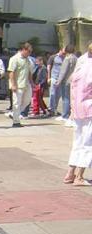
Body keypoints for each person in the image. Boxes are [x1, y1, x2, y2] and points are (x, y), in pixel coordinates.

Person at [63, 42, 92, 186]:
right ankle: (79, 176)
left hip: (78, 107)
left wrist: (72, 108)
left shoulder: (81, 61)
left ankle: (70, 173)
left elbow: (72, 84)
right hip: (89, 108)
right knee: (88, 143)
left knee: (78, 141)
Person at [6, 42, 34, 127]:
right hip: (18, 85)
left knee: (27, 101)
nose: (30, 53)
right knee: (16, 103)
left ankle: (14, 114)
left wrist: (31, 82)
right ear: (23, 50)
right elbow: (11, 72)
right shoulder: (14, 59)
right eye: (28, 51)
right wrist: (13, 84)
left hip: (26, 84)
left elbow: (29, 72)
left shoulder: (28, 60)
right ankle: (16, 121)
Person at [56, 44, 78, 127]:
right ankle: (69, 113)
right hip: (73, 80)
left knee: (65, 98)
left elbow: (63, 71)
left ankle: (65, 115)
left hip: (66, 81)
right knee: (71, 98)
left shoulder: (67, 59)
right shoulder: (76, 58)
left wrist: (58, 81)